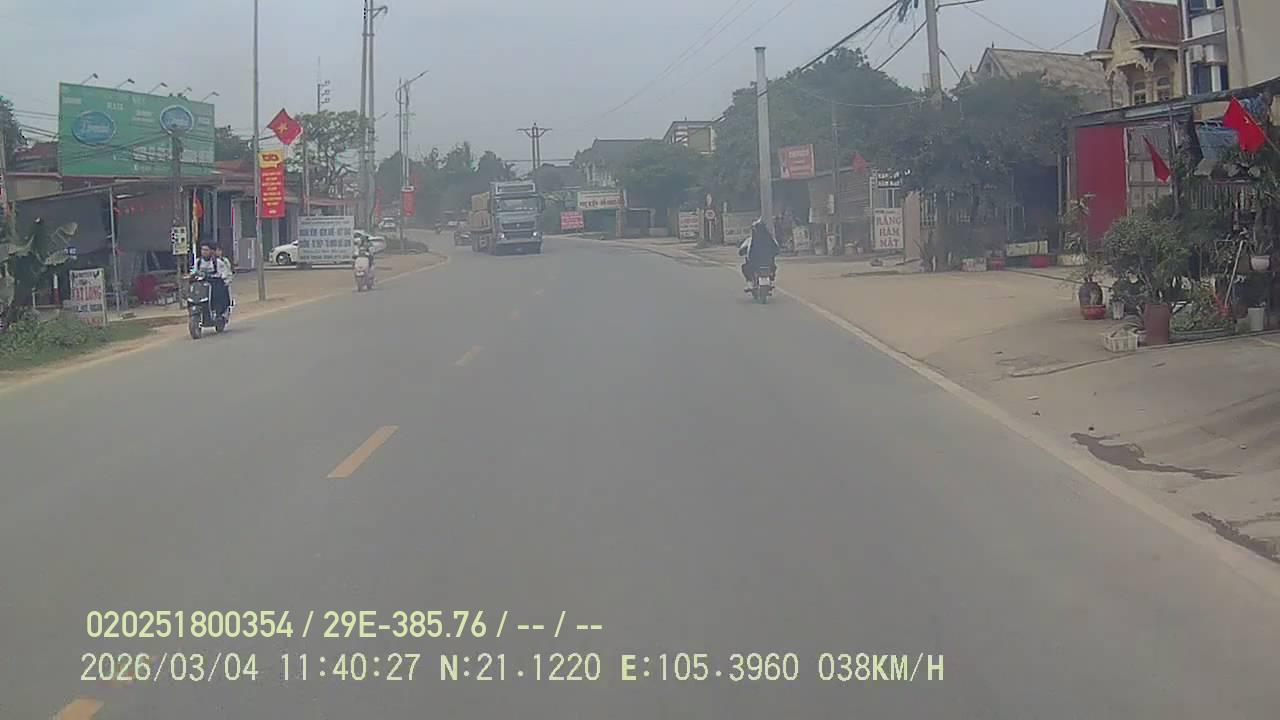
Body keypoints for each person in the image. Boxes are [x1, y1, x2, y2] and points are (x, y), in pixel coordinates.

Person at [739, 217, 780, 291]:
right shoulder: (770, 238)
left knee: (745, 267)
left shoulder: (750, 239)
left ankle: (750, 283)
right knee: (773, 267)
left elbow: (741, 250)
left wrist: (742, 252)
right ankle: (771, 281)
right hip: (768, 263)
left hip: (754, 263)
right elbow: (777, 249)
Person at [190, 243, 231, 317]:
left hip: (214, 284)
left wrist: (224, 280)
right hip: (202, 284)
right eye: (202, 250)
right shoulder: (198, 262)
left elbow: (225, 274)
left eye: (206, 250)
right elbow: (193, 272)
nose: (204, 252)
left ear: (211, 251)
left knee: (218, 294)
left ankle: (218, 312)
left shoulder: (218, 262)